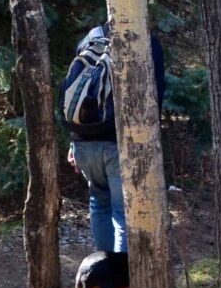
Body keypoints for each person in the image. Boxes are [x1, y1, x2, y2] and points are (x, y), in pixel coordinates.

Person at [59, 22, 167, 255]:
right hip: (117, 143)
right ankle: (121, 284)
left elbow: (78, 92)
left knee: (99, 206)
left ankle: (105, 280)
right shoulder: (144, 41)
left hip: (82, 141)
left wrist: (73, 142)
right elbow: (155, 95)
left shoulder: (91, 39)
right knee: (122, 213)